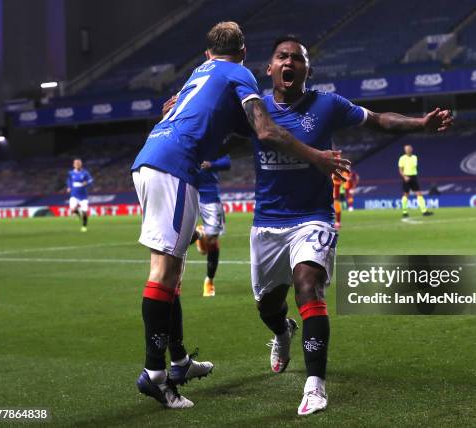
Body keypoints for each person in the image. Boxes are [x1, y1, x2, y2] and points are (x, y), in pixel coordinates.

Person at [131, 22, 350, 409]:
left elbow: (183, 109)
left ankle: (179, 361)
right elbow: (262, 129)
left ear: (206, 54)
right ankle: (155, 374)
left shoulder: (200, 73)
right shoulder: (239, 73)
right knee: (164, 272)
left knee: (174, 268)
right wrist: (316, 156)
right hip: (175, 166)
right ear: (246, 54)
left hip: (149, 157)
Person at [230, 35, 452, 415]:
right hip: (267, 222)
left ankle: (315, 385)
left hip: (312, 217)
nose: (289, 62)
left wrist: (420, 123)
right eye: (282, 57)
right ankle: (282, 331)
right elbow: (206, 126)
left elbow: (379, 120)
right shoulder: (254, 111)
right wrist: (178, 109)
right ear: (269, 68)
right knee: (268, 306)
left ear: (307, 71)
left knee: (307, 285)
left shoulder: (327, 105)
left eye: (297, 59)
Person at [194, 155, 231, 297]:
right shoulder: (185, 139)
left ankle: (209, 280)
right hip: (188, 192)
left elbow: (226, 162)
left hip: (210, 196)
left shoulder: (214, 141)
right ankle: (200, 234)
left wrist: (210, 163)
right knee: (181, 236)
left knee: (212, 240)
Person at [398, 144, 432, 217]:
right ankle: (404, 212)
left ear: (411, 149)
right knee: (405, 194)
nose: (407, 150)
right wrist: (404, 176)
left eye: (409, 149)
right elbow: (400, 170)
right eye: (406, 149)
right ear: (405, 150)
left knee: (419, 194)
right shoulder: (402, 158)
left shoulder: (415, 157)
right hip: (406, 177)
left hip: (413, 177)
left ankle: (424, 211)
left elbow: (413, 167)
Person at [66, 158, 93, 232]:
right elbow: (69, 181)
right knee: (72, 209)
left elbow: (91, 180)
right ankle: (78, 214)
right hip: (74, 194)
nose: (77, 164)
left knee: (85, 212)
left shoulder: (85, 173)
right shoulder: (71, 173)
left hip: (83, 196)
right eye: (76, 163)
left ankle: (84, 226)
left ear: (81, 164)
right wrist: (69, 187)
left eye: (79, 163)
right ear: (73, 165)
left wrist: (86, 183)